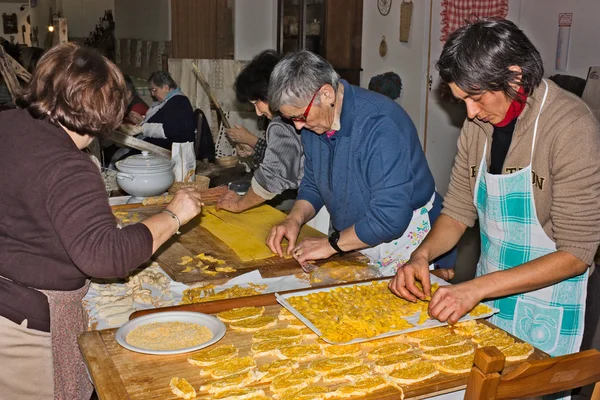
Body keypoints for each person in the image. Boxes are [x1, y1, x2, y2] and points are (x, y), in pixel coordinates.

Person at [0, 43, 203, 400]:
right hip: (22, 324)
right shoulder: (68, 166)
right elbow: (104, 257)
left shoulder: (7, 123)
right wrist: (174, 214)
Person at [389, 19, 600, 358]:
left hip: (550, 304)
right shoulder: (477, 128)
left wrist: (476, 288)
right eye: (462, 100)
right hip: (489, 294)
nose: (470, 113)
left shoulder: (571, 128)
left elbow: (576, 254)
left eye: (475, 97)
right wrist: (421, 257)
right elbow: (458, 211)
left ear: (515, 76)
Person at [266, 50, 454, 276]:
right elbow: (314, 183)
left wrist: (330, 245)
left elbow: (390, 217)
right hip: (355, 236)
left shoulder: (380, 126)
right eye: (291, 119)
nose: (297, 127)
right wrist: (293, 219)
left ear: (327, 94)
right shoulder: (314, 123)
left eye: (300, 117)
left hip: (404, 241)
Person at [216, 50, 303, 213]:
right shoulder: (295, 114)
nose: (257, 112)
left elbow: (273, 178)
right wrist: (256, 149)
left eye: (257, 102)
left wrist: (238, 204)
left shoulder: (282, 123)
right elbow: (287, 159)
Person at [141, 70, 196, 150]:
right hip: (159, 144)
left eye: (154, 90)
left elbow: (169, 130)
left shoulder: (178, 102)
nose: (152, 94)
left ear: (166, 88)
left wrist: (142, 129)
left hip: (170, 150)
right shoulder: (170, 101)